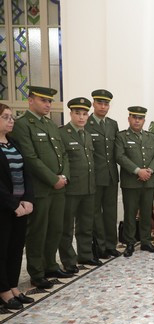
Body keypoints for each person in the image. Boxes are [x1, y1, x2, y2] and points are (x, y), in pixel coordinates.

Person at [11, 86, 69, 289]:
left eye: (49, 101)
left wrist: (64, 176)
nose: (47, 104)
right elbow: (30, 158)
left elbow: (63, 154)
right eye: (43, 100)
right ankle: (36, 272)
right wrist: (52, 178)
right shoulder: (23, 124)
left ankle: (50, 265)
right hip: (40, 188)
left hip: (58, 187)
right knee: (38, 231)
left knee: (55, 228)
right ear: (30, 100)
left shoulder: (51, 125)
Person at [59, 97, 101, 272]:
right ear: (71, 114)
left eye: (84, 114)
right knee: (67, 226)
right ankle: (69, 260)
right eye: (78, 113)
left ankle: (85, 254)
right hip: (72, 187)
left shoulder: (87, 135)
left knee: (86, 224)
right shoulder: (62, 133)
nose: (81, 117)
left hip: (89, 186)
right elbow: (62, 160)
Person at [0, 103, 35, 311]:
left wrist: (28, 199)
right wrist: (13, 204)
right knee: (2, 249)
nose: (11, 120)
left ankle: (13, 286)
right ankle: (3, 290)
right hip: (5, 208)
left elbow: (26, 173)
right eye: (5, 117)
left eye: (11, 117)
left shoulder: (13, 143)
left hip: (21, 206)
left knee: (15, 248)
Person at [115, 106, 154, 257]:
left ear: (144, 120)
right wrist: (138, 171)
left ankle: (146, 241)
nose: (137, 120)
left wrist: (150, 171)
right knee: (130, 213)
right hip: (131, 182)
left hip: (149, 182)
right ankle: (129, 243)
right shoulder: (122, 136)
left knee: (146, 212)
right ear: (129, 119)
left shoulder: (151, 136)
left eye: (140, 118)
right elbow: (120, 156)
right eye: (134, 117)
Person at [86, 89, 121, 258]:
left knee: (110, 212)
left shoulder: (112, 124)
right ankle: (99, 247)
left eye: (106, 103)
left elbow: (116, 151)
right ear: (93, 104)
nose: (103, 106)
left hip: (111, 175)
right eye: (100, 103)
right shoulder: (86, 123)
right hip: (94, 176)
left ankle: (110, 245)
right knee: (95, 214)